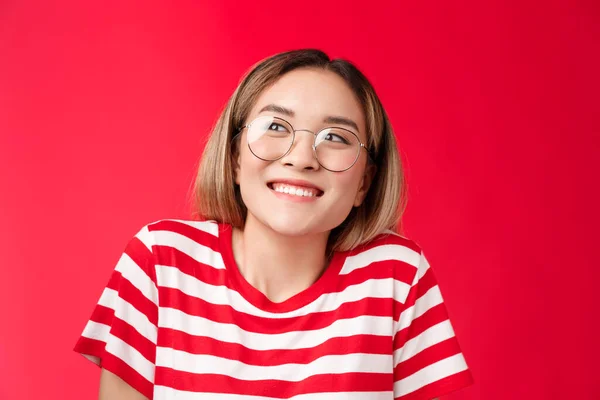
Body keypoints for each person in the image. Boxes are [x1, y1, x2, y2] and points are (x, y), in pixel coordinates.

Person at [74, 49, 473, 400]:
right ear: (233, 157)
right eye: (276, 127)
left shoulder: (395, 277)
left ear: (363, 184)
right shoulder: (160, 261)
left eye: (335, 136)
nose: (302, 158)